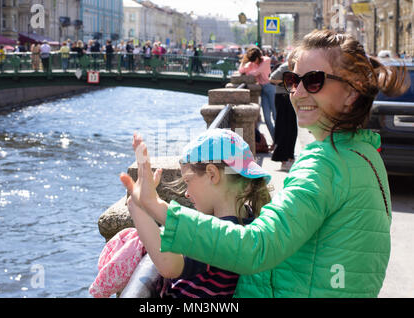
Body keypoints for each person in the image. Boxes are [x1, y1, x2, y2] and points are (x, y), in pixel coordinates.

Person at [120, 29, 410, 298]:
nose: (297, 93)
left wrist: (158, 207)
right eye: (294, 81)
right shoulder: (365, 153)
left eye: (313, 81)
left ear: (352, 91)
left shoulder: (325, 164)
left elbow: (256, 248)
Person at [124, 129, 272, 298]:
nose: (186, 193)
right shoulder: (247, 221)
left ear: (212, 174)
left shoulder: (217, 235)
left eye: (188, 181)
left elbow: (168, 265)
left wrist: (137, 205)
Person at [239, 47, 277, 143]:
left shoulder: (266, 60)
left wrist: (249, 71)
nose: (254, 62)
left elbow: (256, 72)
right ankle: (275, 141)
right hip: (263, 90)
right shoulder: (253, 63)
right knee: (267, 118)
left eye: (254, 60)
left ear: (258, 57)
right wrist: (244, 62)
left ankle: (281, 142)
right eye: (252, 61)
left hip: (271, 88)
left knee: (276, 116)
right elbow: (241, 70)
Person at [269, 61, 298, 171]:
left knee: (292, 128)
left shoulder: (299, 66)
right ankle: (283, 159)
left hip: (292, 96)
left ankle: (290, 157)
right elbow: (271, 78)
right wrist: (285, 82)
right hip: (282, 97)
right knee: (283, 127)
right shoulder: (285, 66)